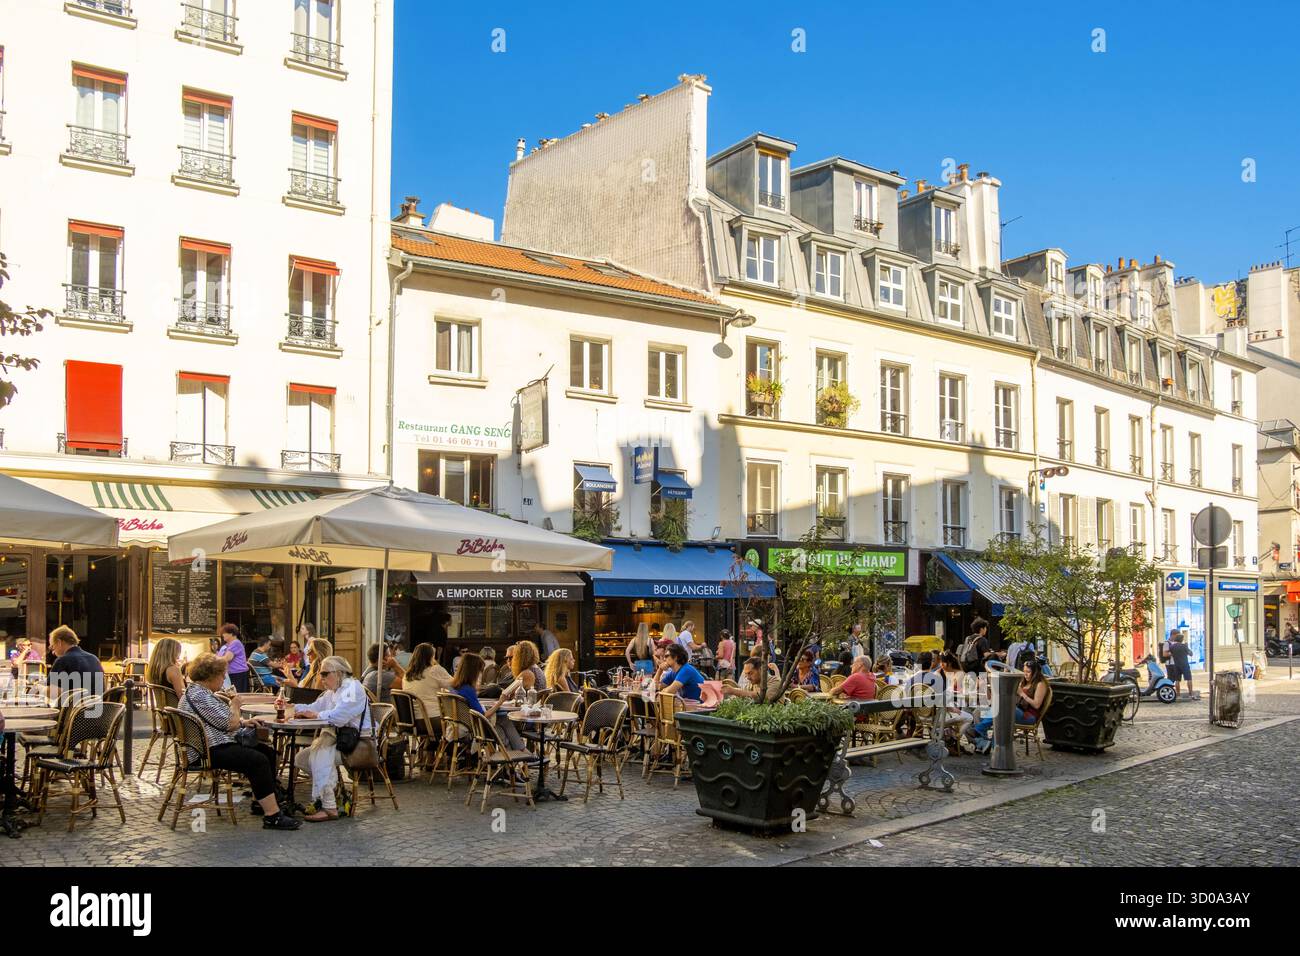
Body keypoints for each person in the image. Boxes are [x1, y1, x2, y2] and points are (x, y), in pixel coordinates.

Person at [178, 653, 301, 830]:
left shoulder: (199, 692)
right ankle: (272, 816)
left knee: (267, 752)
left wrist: (244, 722)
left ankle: (260, 801)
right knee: (257, 761)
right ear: (211, 676)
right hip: (207, 751)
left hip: (210, 745)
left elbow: (220, 720)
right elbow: (230, 723)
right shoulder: (200, 696)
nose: (224, 679)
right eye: (222, 675)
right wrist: (235, 705)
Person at [293, 655, 372, 822]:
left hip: (359, 745)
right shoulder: (333, 691)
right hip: (341, 741)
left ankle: (329, 807)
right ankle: (336, 795)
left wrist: (315, 715)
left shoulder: (352, 688)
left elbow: (339, 717)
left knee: (320, 754)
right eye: (320, 674)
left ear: (339, 673)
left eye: (324, 673)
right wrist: (292, 707)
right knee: (302, 759)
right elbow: (315, 707)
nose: (321, 678)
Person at [449, 652, 527, 750]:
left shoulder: (455, 686)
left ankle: (512, 752)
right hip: (474, 728)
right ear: (473, 671)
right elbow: (484, 715)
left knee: (500, 724)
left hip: (460, 724)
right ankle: (520, 751)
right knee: (502, 719)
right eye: (479, 671)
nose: (479, 674)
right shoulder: (468, 690)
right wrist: (501, 701)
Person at [46, 626, 103, 699]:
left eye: (52, 646)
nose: (53, 652)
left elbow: (52, 693)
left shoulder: (62, 660)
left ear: (59, 642)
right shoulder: (94, 659)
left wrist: (40, 688)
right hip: (97, 705)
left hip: (75, 705)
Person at [402, 642, 453, 716]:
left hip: (413, 719)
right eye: (433, 655)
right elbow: (456, 684)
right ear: (430, 657)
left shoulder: (406, 675)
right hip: (433, 717)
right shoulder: (435, 670)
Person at [216, 623, 250, 692]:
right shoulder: (227, 645)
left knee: (238, 693)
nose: (222, 635)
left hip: (238, 673)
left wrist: (214, 659)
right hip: (231, 673)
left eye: (224, 633)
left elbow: (227, 658)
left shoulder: (235, 643)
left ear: (231, 634)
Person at [1168, 631, 1195, 699]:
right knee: (1189, 679)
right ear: (1181, 639)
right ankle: (1190, 693)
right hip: (1185, 664)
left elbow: (1170, 654)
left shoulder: (1172, 647)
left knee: (1177, 680)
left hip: (1176, 664)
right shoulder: (1184, 646)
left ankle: (1178, 694)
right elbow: (1191, 654)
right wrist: (1187, 647)